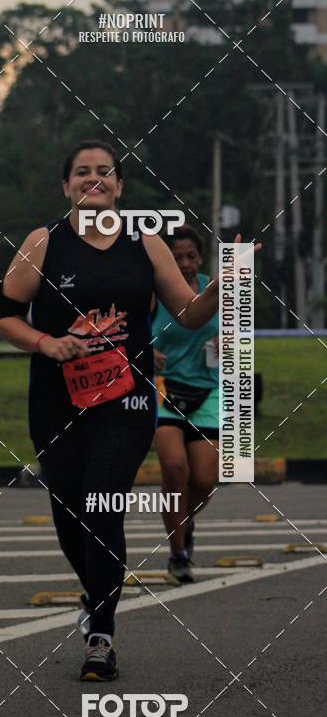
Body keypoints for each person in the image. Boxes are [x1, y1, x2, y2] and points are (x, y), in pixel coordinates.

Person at [0, 140, 241, 682]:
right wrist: (44, 342)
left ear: (120, 186)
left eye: (105, 172)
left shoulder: (146, 244)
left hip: (125, 402)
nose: (94, 180)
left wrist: (227, 284)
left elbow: (190, 313)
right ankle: (96, 593)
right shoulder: (45, 242)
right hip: (56, 401)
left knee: (103, 505)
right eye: (82, 172)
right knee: (69, 517)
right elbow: (5, 315)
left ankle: (101, 634)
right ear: (66, 186)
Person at [152, 226, 219, 584]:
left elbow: (240, 332)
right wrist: (146, 351)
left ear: (200, 258)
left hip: (208, 391)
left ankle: (184, 520)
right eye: (176, 257)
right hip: (164, 390)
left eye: (190, 256)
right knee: (175, 470)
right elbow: (127, 330)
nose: (184, 264)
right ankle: (178, 553)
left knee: (205, 479)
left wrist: (230, 340)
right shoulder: (154, 292)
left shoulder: (215, 287)